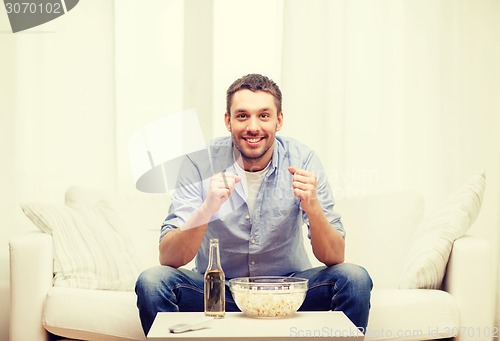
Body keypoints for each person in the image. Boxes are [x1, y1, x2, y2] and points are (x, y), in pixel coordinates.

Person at [135, 73, 372, 335]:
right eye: (242, 115)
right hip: (217, 294)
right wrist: (208, 208)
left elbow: (335, 256)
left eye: (264, 115)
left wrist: (312, 207)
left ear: (279, 120)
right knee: (152, 282)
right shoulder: (198, 163)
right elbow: (168, 257)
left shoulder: (303, 159)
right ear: (228, 120)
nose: (253, 126)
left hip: (287, 292)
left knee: (355, 278)